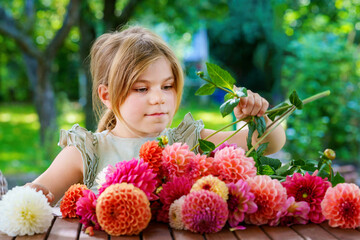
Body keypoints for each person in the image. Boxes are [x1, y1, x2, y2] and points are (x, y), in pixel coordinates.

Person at [26, 26, 286, 205]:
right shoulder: (86, 152)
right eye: (141, 88)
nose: (158, 97)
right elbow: (30, 198)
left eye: (167, 86)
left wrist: (254, 116)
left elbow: (270, 143)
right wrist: (30, 198)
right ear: (106, 95)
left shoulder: (190, 142)